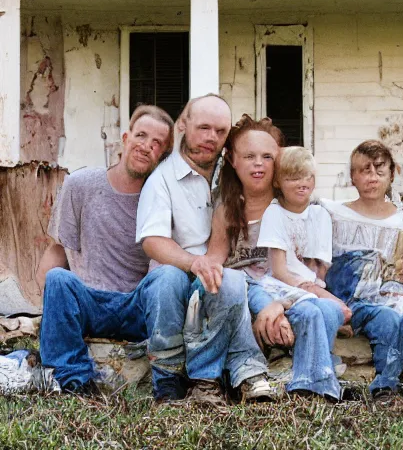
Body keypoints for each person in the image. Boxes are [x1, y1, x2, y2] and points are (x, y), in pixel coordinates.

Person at [37, 106, 189, 400]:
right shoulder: (80, 184)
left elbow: (163, 264)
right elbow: (58, 249)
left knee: (169, 275)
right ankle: (74, 382)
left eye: (157, 143)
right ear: (125, 138)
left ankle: (168, 383)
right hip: (90, 300)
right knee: (57, 278)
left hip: (136, 305)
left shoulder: (163, 198)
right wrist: (45, 303)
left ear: (163, 154)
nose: (146, 146)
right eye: (141, 136)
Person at [136, 94, 275, 404]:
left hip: (224, 273)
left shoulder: (231, 172)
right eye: (203, 128)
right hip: (176, 279)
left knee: (232, 280)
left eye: (221, 131)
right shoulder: (162, 180)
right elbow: (152, 241)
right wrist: (195, 262)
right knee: (197, 279)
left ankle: (209, 382)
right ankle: (190, 381)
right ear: (183, 125)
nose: (211, 138)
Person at [205, 115, 349, 400]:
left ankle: (305, 372)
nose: (258, 163)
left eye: (267, 157)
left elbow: (311, 271)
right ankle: (297, 374)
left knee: (328, 311)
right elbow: (216, 259)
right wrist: (267, 305)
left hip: (292, 289)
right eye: (249, 156)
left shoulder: (296, 207)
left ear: (279, 163)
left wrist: (283, 304)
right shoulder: (228, 207)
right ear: (233, 161)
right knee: (301, 311)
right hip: (249, 291)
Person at [321, 140, 403, 398]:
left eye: (379, 170)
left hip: (392, 293)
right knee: (387, 319)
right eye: (364, 170)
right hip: (353, 297)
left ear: (391, 175)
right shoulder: (335, 214)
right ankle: (386, 383)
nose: (372, 177)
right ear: (352, 176)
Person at [257, 146, 346, 309]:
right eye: (294, 178)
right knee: (326, 309)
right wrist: (312, 292)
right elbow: (279, 271)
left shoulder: (320, 215)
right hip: (281, 286)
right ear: (277, 182)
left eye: (308, 177)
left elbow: (320, 269)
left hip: (313, 288)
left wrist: (318, 291)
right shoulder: (274, 213)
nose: (303, 184)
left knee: (338, 310)